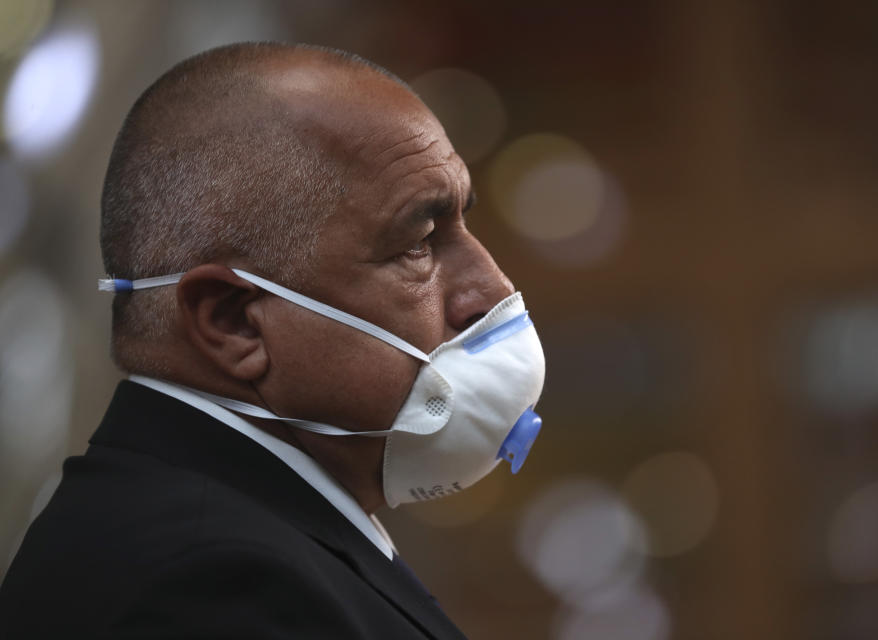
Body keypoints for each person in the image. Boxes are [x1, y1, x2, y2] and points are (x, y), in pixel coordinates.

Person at [0, 42, 545, 639]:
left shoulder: (232, 532)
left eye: (464, 224)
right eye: (418, 245)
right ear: (233, 323)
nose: (492, 290)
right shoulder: (208, 586)